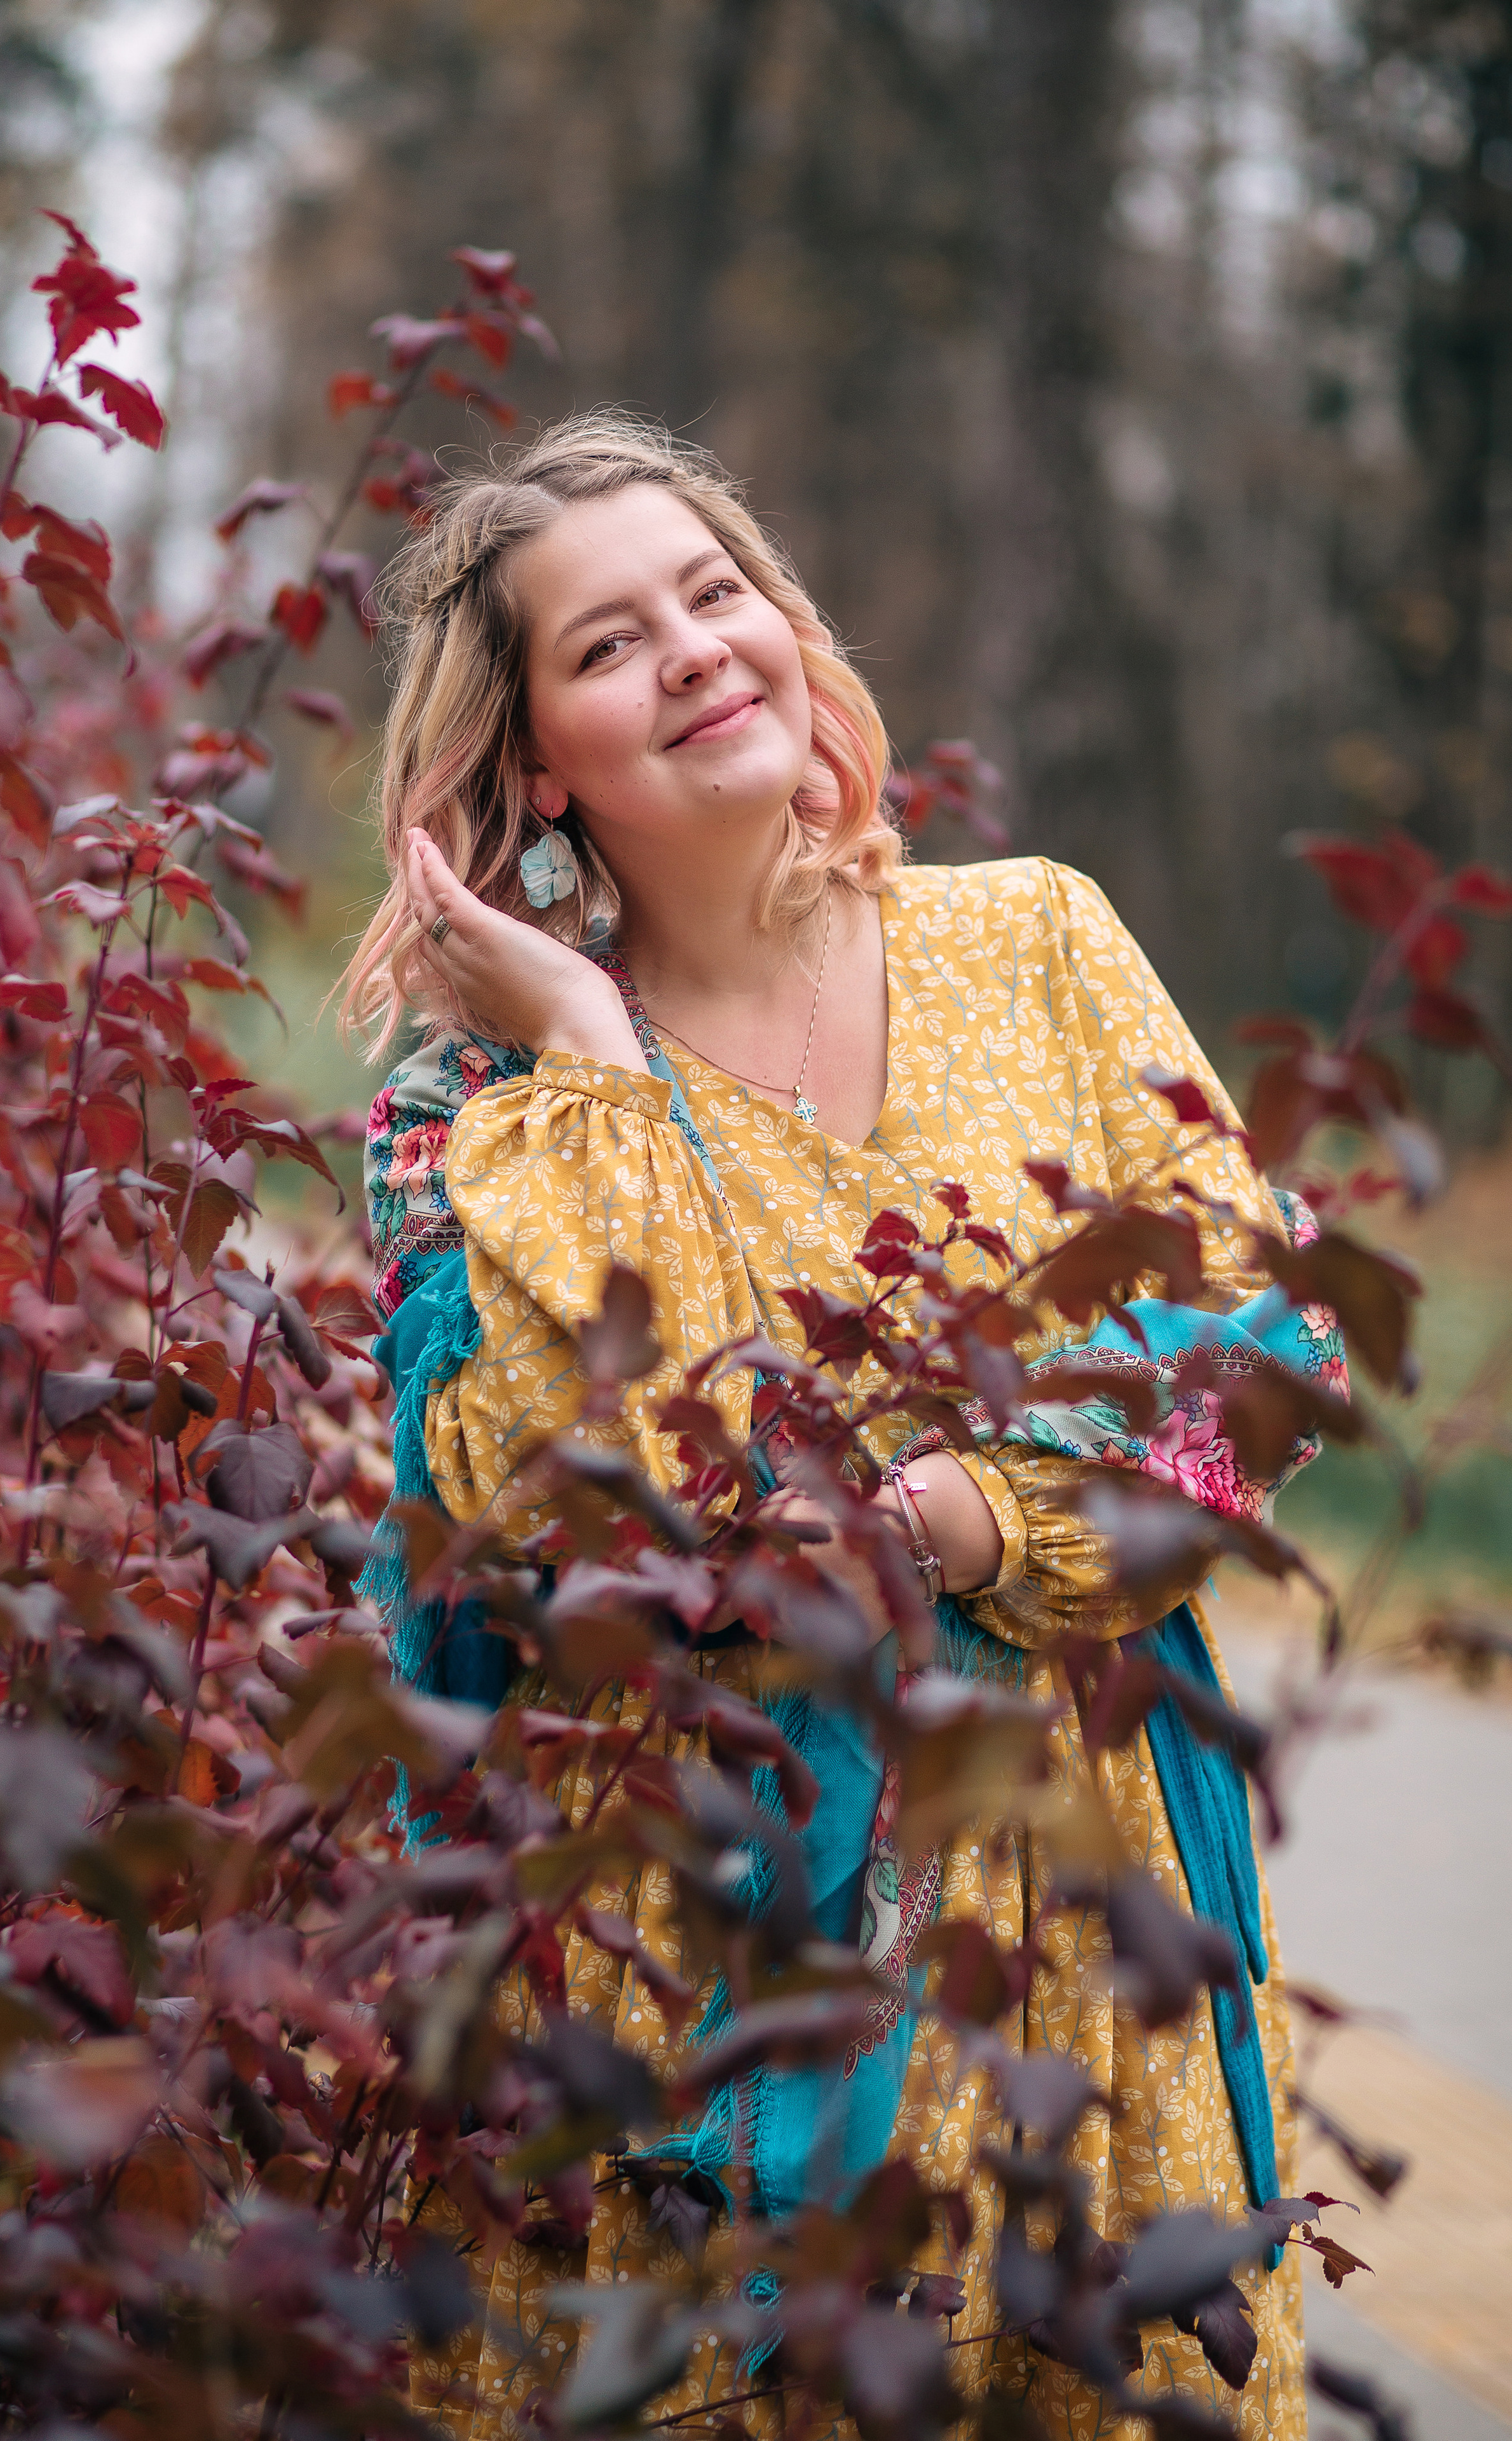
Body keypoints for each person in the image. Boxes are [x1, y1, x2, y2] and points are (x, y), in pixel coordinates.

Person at [341, 411, 1326, 2439]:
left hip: (1098, 1943)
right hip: (711, 2000)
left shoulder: (1036, 940)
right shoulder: (469, 1119)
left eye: (717, 593)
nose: (695, 649)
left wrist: (979, 1518)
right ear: (537, 762)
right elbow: (598, 1525)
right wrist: (593, 1061)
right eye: (609, 643)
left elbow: (1274, 1368)